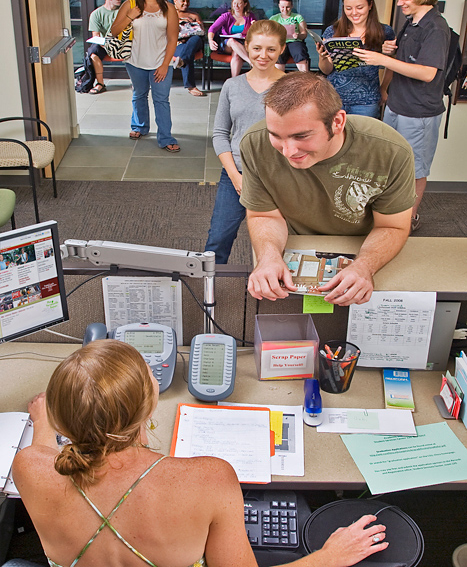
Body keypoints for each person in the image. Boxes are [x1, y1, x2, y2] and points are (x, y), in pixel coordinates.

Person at [13, 338, 388, 567]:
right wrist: (329, 557)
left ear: (61, 422)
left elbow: (48, 453)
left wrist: (43, 421)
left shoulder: (29, 467)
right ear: (149, 405)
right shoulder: (210, 479)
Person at [239, 72, 415, 306]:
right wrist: (268, 256)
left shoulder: (390, 151)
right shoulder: (255, 143)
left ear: (338, 122)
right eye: (276, 136)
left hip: (363, 244)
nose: (288, 151)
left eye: (301, 136)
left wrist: (365, 265)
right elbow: (263, 215)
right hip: (292, 245)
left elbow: (392, 225)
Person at [352, 0, 449, 231]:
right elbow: (405, 61)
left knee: (415, 169)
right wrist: (388, 54)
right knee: (391, 162)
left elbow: (428, 73)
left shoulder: (436, 27)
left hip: (418, 112)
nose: (399, 3)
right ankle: (389, 213)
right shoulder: (412, 21)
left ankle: (409, 220)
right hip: (397, 104)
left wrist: (382, 60)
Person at [205, 20, 287, 264]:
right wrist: (234, 175)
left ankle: (278, 290)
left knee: (280, 238)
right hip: (237, 174)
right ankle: (208, 293)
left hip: (281, 174)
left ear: (282, 49)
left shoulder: (292, 87)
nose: (263, 55)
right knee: (218, 239)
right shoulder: (232, 86)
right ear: (246, 47)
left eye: (271, 49)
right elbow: (220, 134)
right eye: (257, 48)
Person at [111, 0, 180, 152]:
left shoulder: (169, 8)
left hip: (160, 62)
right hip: (135, 62)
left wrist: (165, 65)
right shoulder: (130, 5)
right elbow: (114, 31)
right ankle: (139, 127)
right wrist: (129, 16)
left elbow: (173, 39)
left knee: (161, 100)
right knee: (139, 95)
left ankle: (166, 137)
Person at [316, 0, 395, 119]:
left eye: (359, 8)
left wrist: (384, 88)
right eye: (348, 8)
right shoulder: (332, 31)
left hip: (367, 101)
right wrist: (323, 58)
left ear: (370, 5)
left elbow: (392, 63)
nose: (354, 12)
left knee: (363, 138)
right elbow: (326, 70)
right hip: (334, 98)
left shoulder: (384, 32)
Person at [208, 0, 256, 78]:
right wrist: (211, 40)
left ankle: (233, 80)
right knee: (232, 41)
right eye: (234, 3)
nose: (236, 6)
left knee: (236, 54)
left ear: (245, 4)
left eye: (239, 3)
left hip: (243, 44)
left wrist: (255, 25)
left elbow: (257, 30)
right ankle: (251, 62)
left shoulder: (250, 16)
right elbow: (212, 29)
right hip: (227, 44)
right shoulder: (227, 16)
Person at [87, 0, 123, 95]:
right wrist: (107, 44)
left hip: (123, 43)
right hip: (105, 45)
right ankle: (100, 84)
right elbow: (96, 36)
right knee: (93, 53)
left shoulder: (123, 12)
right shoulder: (96, 14)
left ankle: (139, 83)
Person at [173, 0, 206, 97]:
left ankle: (182, 60)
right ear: (175, 1)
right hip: (179, 43)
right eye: (183, 0)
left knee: (195, 39)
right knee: (187, 52)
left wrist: (194, 25)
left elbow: (202, 32)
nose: (186, 3)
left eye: (188, 1)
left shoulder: (194, 15)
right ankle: (191, 86)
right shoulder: (170, 14)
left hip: (195, 42)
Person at [270, 0, 310, 72]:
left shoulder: (298, 17)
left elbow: (304, 34)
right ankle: (280, 79)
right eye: (282, 7)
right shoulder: (274, 19)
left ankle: (305, 77)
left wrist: (298, 36)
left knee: (299, 52)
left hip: (294, 41)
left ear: (291, 6)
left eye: (287, 7)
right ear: (279, 6)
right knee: (278, 54)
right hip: (280, 42)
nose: (285, 9)